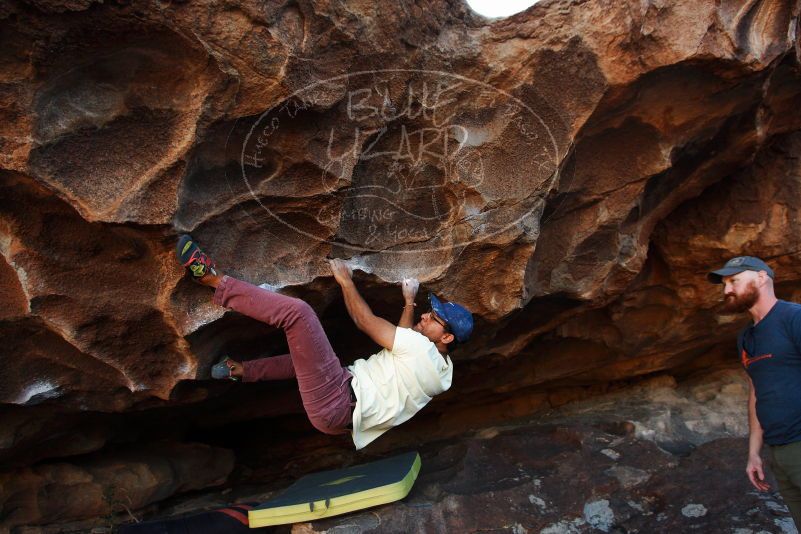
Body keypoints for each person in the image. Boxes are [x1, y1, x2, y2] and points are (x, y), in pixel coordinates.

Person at [175, 235, 473, 449]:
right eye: (428, 311)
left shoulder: (420, 349)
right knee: (307, 358)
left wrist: (345, 281)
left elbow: (365, 323)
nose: (425, 316)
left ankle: (212, 280)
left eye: (434, 319)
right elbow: (405, 342)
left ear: (446, 337)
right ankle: (237, 370)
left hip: (339, 399)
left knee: (299, 314)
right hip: (338, 416)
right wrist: (408, 302)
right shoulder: (442, 373)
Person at [708, 256, 801, 527]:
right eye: (724, 284)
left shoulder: (793, 318)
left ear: (761, 278)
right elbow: (756, 393)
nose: (727, 290)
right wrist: (753, 452)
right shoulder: (746, 338)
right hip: (779, 452)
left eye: (734, 281)